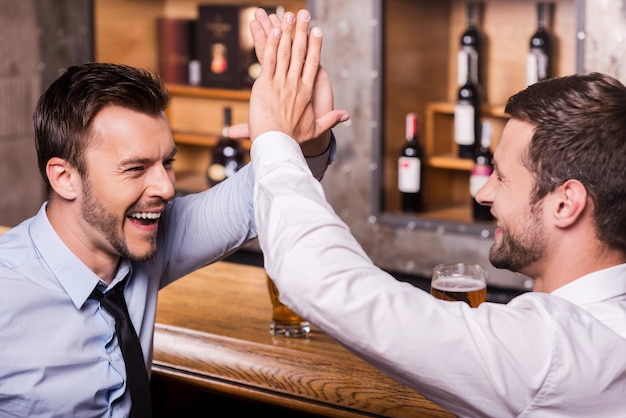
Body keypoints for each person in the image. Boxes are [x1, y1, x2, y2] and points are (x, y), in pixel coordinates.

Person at [247, 8, 626, 418]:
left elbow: (321, 283)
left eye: (500, 177)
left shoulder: (558, 352)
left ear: (565, 203)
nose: (483, 193)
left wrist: (273, 137)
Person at [0, 9, 347, 416]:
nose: (166, 187)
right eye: (135, 168)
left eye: (167, 162)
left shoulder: (145, 237)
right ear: (64, 178)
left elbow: (252, 199)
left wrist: (302, 142)